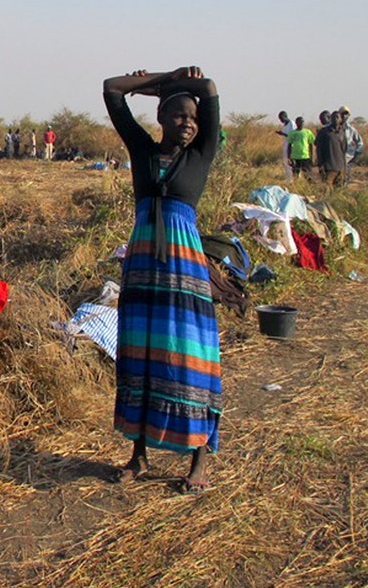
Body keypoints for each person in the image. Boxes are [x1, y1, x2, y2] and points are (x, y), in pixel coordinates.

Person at [103, 65, 222, 493]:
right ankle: (138, 456)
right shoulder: (143, 151)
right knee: (142, 356)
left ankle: (199, 460)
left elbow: (208, 89)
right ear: (160, 118)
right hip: (143, 266)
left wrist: (181, 87)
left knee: (188, 354)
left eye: (192, 117)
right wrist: (163, 79)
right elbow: (112, 90)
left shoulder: (202, 153)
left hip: (184, 267)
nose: (188, 123)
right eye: (177, 115)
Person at [317, 111, 348, 187]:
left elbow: (343, 151)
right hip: (328, 167)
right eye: (334, 117)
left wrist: (344, 168)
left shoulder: (342, 133)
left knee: (339, 191)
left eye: (338, 117)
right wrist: (321, 166)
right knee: (327, 190)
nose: (336, 119)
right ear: (330, 119)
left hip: (340, 168)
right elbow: (319, 149)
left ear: (341, 119)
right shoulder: (324, 132)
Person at [339, 106, 363, 182]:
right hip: (336, 160)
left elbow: (360, 142)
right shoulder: (333, 128)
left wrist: (356, 155)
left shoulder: (351, 129)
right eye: (342, 114)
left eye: (346, 114)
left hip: (347, 159)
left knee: (345, 180)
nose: (344, 116)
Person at [276, 110, 295, 181]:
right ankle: (288, 179)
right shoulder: (285, 125)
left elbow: (293, 135)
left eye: (281, 118)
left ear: (285, 116)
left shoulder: (291, 123)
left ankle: (292, 179)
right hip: (285, 145)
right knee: (285, 162)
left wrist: (282, 134)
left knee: (290, 163)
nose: (280, 120)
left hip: (291, 146)